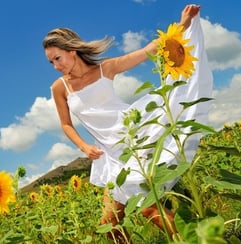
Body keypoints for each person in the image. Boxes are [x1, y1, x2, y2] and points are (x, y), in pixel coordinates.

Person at [43, 4, 211, 243]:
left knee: (147, 208)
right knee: (110, 225)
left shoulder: (105, 69)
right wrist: (83, 147)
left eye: (57, 58)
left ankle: (199, 241)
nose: (56, 66)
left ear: (72, 50)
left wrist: (182, 24)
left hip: (134, 140)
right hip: (109, 156)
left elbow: (148, 50)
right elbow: (66, 124)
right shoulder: (60, 87)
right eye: (51, 62)